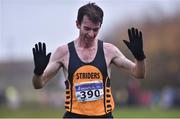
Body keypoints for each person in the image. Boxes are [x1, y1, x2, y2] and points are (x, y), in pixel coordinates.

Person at [32, 2, 146, 118]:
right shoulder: (63, 53)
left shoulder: (109, 51)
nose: (91, 34)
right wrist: (38, 72)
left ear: (100, 25)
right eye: (86, 28)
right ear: (77, 24)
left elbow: (138, 73)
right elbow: (38, 84)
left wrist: (140, 57)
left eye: (96, 29)